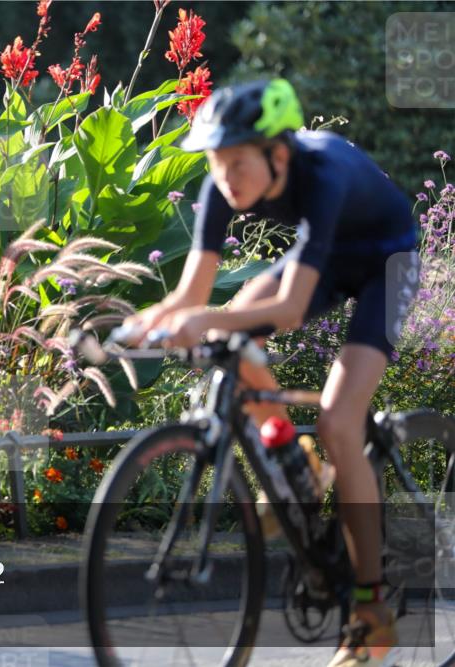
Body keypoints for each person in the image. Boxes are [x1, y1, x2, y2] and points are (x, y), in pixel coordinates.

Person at [120, 78, 420, 667]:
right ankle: (296, 465)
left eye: (237, 162)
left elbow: (284, 310)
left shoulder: (324, 173)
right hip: (329, 258)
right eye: (215, 163)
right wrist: (130, 328)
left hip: (388, 261)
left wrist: (201, 319)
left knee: (338, 422)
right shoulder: (221, 184)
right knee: (231, 327)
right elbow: (191, 294)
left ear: (278, 154)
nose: (224, 177)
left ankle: (370, 612)